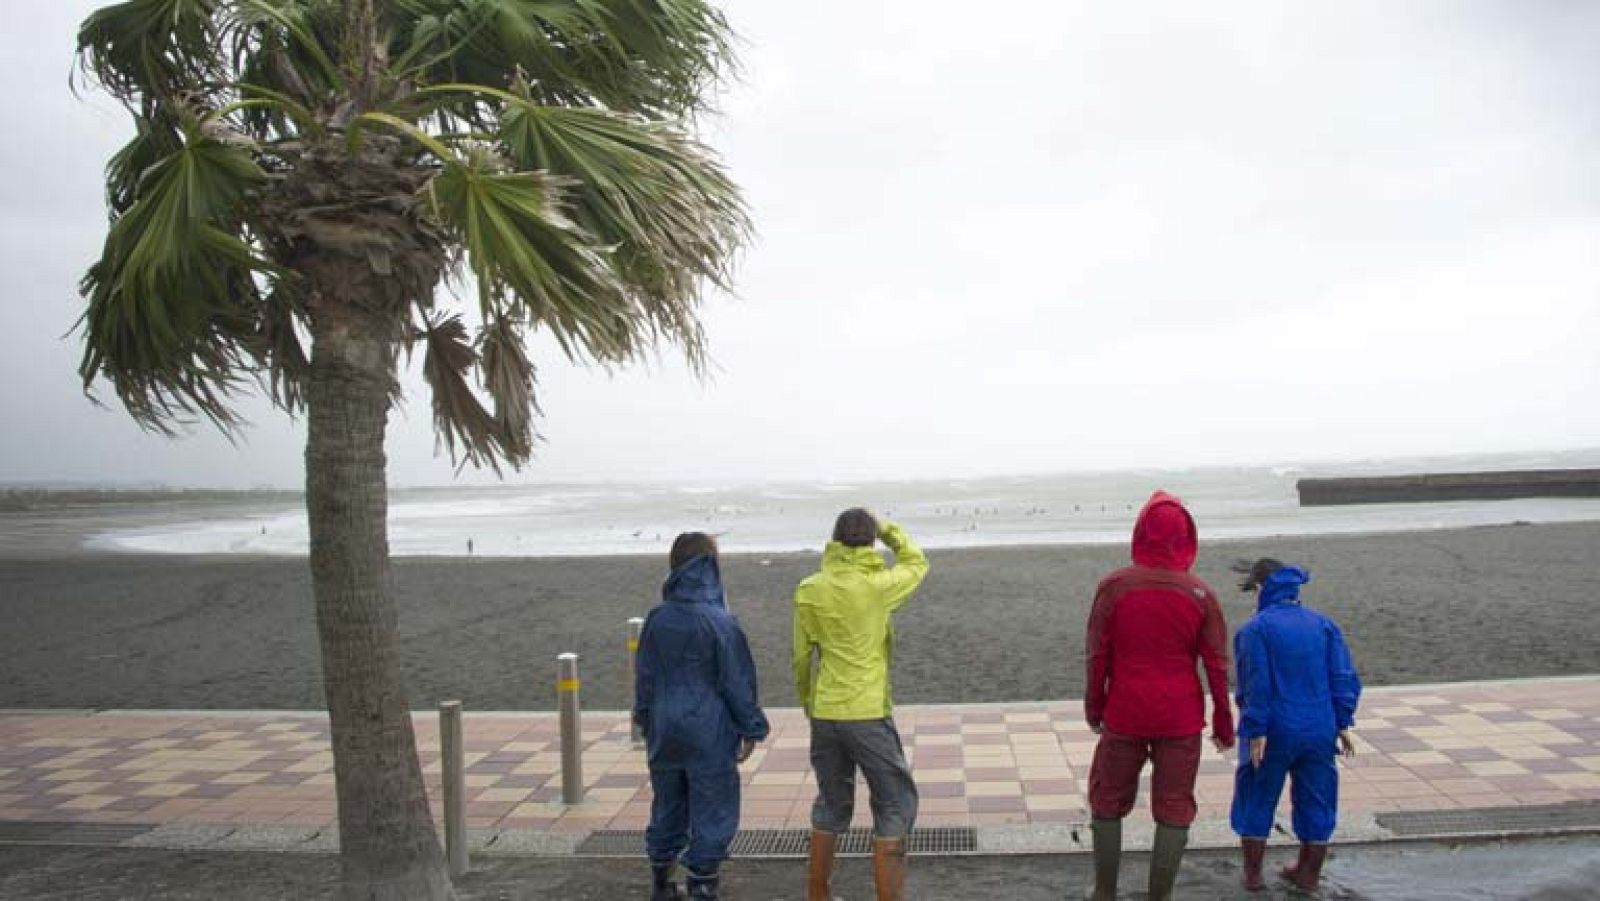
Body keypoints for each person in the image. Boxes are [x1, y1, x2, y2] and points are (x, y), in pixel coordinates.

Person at [1083, 490, 1235, 901]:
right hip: (1180, 714)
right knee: (1174, 804)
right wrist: (1224, 722)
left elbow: (1097, 654)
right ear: (1186, 535)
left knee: (1107, 798)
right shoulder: (1200, 593)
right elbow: (1218, 665)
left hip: (1126, 710)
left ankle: (1104, 891)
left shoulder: (1114, 588)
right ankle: (1159, 896)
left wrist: (1094, 706)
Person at [794, 509, 930, 901]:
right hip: (867, 711)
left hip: (826, 710)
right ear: (870, 541)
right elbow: (917, 561)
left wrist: (809, 702)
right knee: (894, 800)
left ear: (834, 540)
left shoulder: (810, 588)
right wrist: (888, 528)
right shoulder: (877, 586)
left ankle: (817, 894)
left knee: (832, 800)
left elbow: (801, 657)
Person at [634, 533, 770, 901]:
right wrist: (751, 728)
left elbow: (644, 677)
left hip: (664, 725)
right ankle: (703, 886)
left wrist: (645, 721)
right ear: (711, 566)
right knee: (713, 805)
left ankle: (661, 883)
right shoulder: (721, 622)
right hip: (708, 728)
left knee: (667, 803)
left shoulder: (657, 619)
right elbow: (737, 682)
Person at [1229, 558, 1362, 894]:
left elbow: (1256, 684)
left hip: (1273, 729)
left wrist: (1256, 728)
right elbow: (1343, 676)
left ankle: (1254, 874)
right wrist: (1343, 721)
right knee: (1318, 797)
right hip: (1320, 726)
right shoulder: (1323, 624)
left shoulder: (1255, 629)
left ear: (1260, 588)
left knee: (1258, 796)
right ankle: (1308, 874)